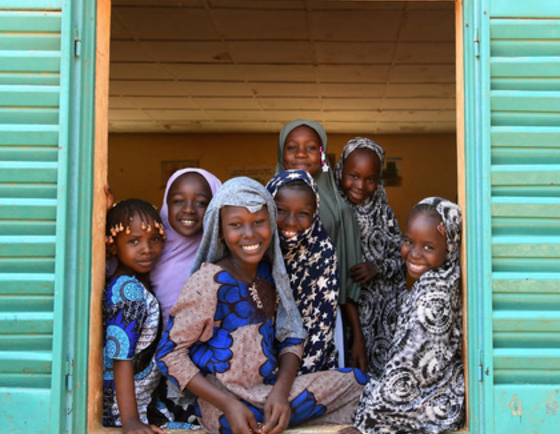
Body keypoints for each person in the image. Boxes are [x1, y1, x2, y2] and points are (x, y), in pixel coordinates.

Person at [156, 177, 368, 434]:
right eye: (236, 225)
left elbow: (291, 336)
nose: (250, 234)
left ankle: (277, 417)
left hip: (270, 394)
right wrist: (228, 403)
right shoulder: (208, 282)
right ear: (221, 232)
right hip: (224, 404)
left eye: (259, 222)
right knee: (235, 422)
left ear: (271, 224)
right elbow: (169, 354)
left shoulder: (269, 273)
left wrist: (280, 393)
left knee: (359, 384)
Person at [341, 197, 466, 434]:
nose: (414, 254)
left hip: (434, 400)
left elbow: (409, 370)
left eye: (428, 247)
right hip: (427, 390)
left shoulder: (434, 298)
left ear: (449, 246)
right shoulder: (440, 278)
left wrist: (367, 424)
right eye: (408, 241)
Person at [275, 119, 366, 370]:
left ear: (323, 154)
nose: (301, 154)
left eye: (311, 147)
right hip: (274, 315)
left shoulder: (340, 211)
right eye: (292, 147)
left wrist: (357, 336)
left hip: (324, 318)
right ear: (281, 154)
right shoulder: (266, 200)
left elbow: (347, 280)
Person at [103, 199, 193, 433]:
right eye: (133, 241)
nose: (147, 248)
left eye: (154, 239)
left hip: (145, 405)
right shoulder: (126, 290)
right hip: (124, 412)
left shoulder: (139, 284)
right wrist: (131, 421)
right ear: (113, 246)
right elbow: (121, 355)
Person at [334, 138, 406, 378]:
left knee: (386, 374)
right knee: (353, 374)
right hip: (348, 314)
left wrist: (378, 268)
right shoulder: (333, 212)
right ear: (341, 169)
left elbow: (403, 258)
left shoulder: (384, 212)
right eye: (353, 175)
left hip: (387, 313)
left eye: (370, 179)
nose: (360, 185)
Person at [266, 169, 338, 374]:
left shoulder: (322, 253)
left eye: (303, 213)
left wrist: (293, 382)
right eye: (280, 210)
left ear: (315, 214)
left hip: (308, 366)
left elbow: (320, 329)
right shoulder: (258, 249)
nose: (290, 221)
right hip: (257, 368)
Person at [151, 168, 222, 326]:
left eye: (201, 203)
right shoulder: (148, 250)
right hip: (158, 349)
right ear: (166, 204)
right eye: (178, 201)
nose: (189, 209)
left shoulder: (223, 256)